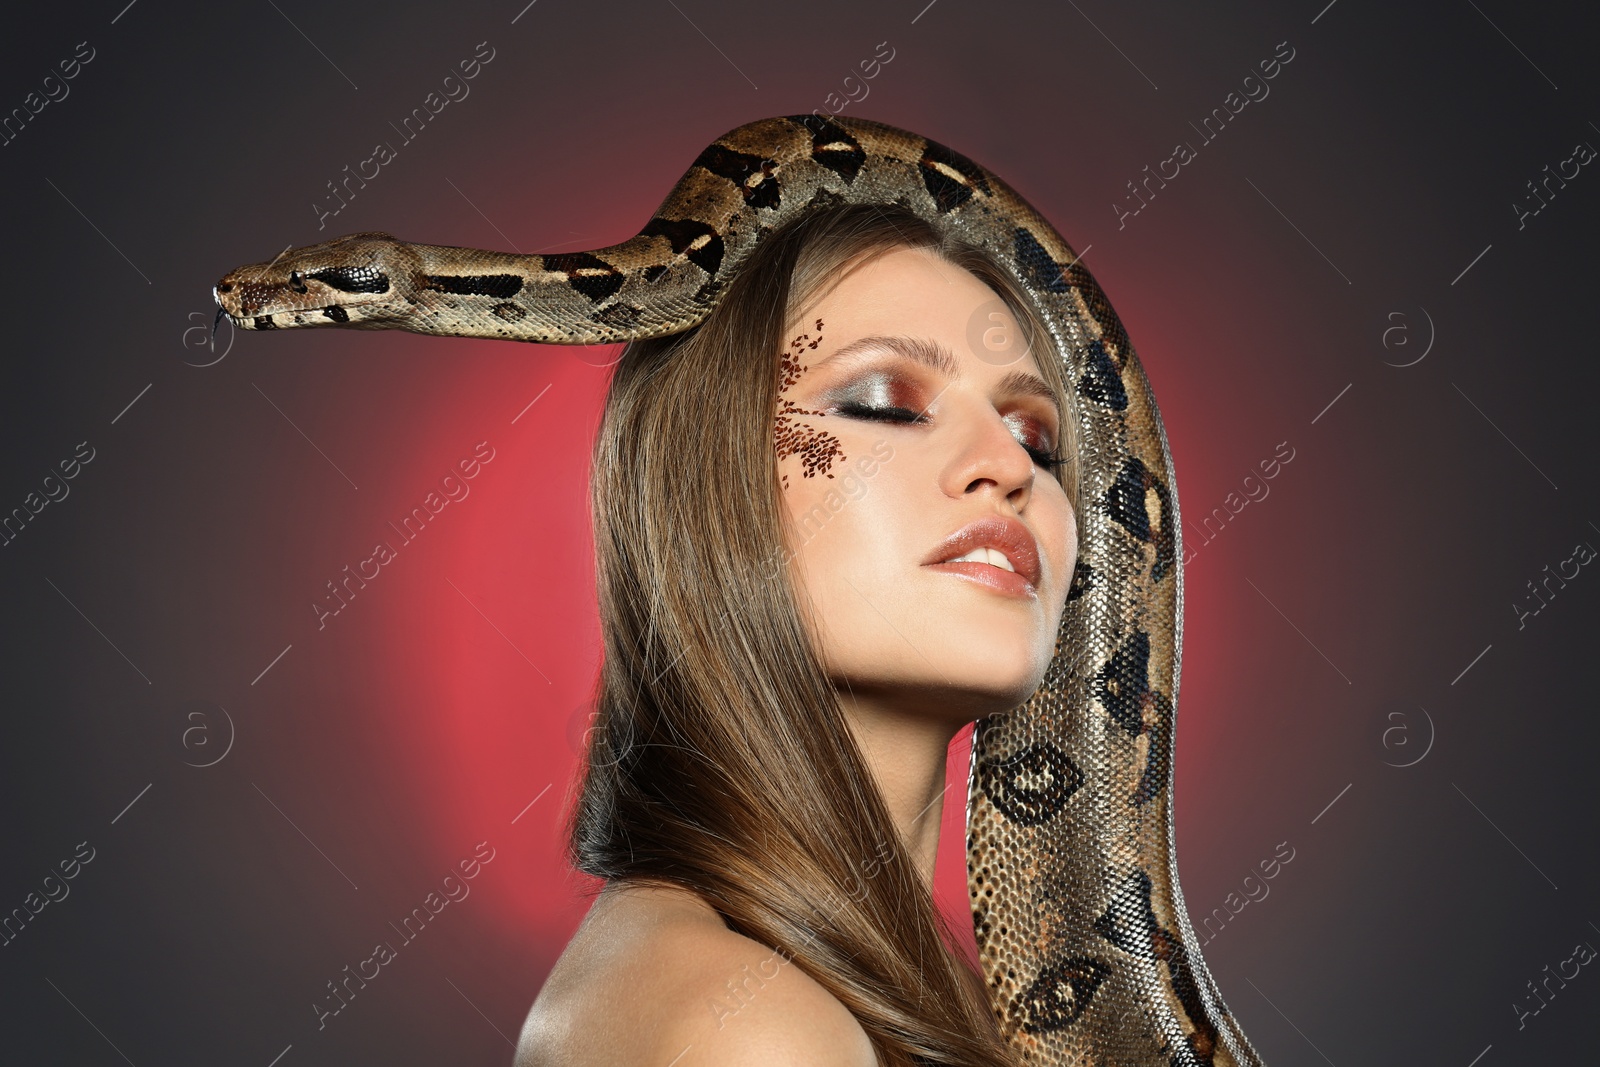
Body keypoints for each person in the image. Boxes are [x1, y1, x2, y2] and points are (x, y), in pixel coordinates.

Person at [516, 203, 1079, 1067]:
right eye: (886, 405)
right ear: (704, 488)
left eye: (1035, 439)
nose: (1007, 470)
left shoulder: (889, 999)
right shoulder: (746, 1027)